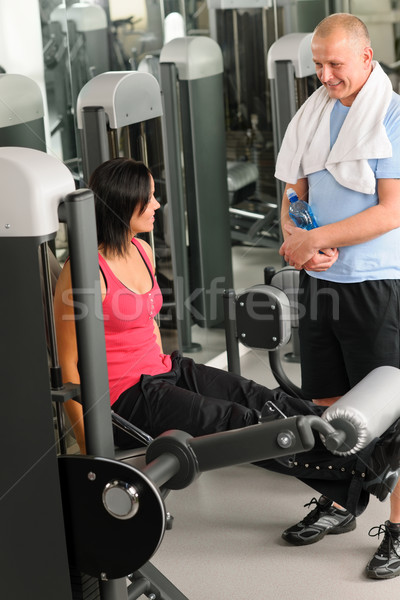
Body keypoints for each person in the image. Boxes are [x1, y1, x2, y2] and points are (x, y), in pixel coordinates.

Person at [54, 156, 400, 573]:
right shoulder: (82, 271)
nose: (158, 205)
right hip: (125, 396)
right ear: (123, 205)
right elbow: (70, 368)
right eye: (149, 198)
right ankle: (370, 465)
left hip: (165, 368)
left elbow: (142, 330)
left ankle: (363, 456)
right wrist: (93, 450)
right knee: (233, 420)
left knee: (256, 396)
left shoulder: (141, 250)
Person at [275, 13, 400, 578]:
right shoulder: (313, 113)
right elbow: (293, 192)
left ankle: (396, 530)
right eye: (318, 65)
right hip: (321, 282)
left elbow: (392, 210)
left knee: (391, 417)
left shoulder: (392, 115)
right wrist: (294, 238)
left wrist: (316, 239)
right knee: (325, 404)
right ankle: (338, 501)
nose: (324, 76)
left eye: (335, 64)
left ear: (367, 57)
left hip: (378, 284)